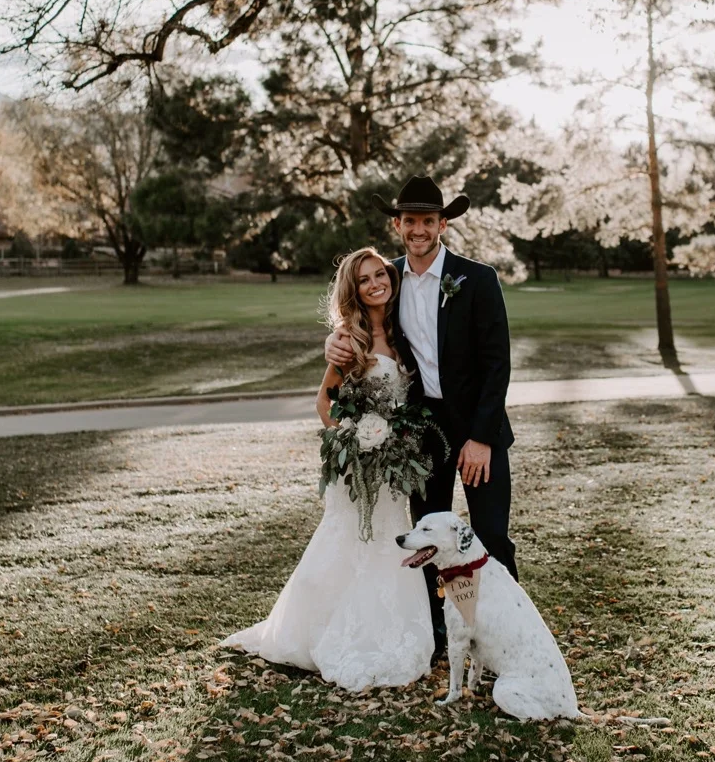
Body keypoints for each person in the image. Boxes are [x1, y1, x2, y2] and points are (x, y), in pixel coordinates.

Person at [219, 247, 432, 690]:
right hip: (362, 465)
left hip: (392, 468)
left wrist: (393, 444)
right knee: (350, 540)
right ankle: (318, 631)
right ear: (354, 290)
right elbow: (325, 402)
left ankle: (387, 629)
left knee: (387, 538)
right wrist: (355, 442)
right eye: (364, 280)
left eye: (380, 275)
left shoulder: (402, 331)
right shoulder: (349, 340)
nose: (376, 284)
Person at [325, 175, 517, 659]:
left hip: (479, 430)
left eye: (427, 221)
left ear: (442, 225)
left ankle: (506, 635)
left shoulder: (478, 279)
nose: (418, 230)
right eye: (409, 221)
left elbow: (497, 365)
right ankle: (439, 635)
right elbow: (357, 318)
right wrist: (332, 342)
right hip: (421, 434)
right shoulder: (386, 278)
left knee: (491, 535)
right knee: (428, 541)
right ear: (397, 225)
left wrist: (481, 438)